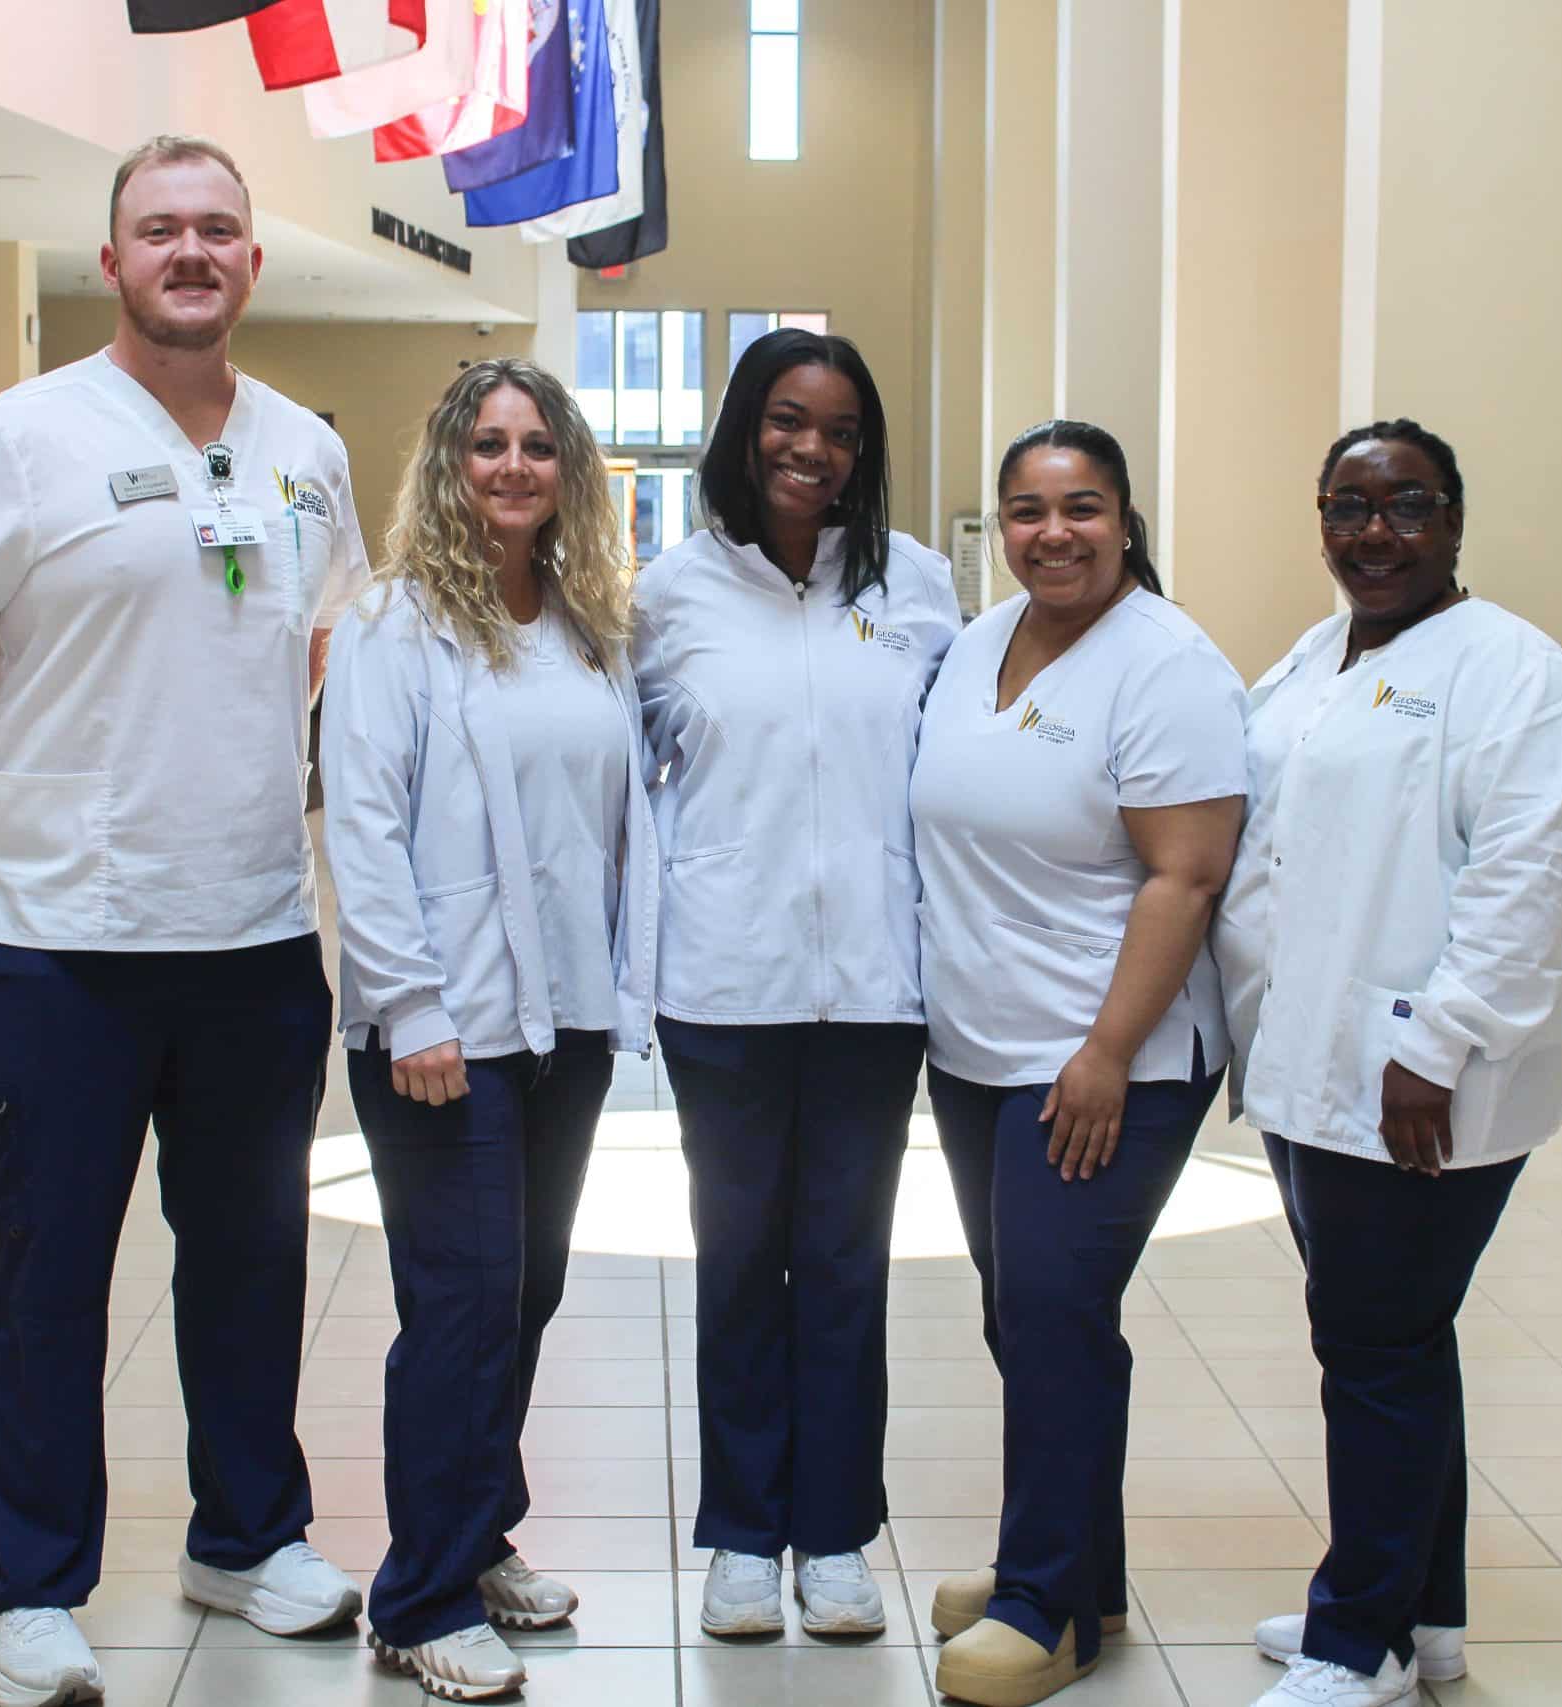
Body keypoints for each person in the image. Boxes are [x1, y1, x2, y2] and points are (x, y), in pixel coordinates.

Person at [0, 135, 370, 1707]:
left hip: (256, 939)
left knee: (251, 1263)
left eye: (218, 227)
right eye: (161, 229)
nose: (190, 251)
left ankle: (247, 1535)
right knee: (47, 1274)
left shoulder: (303, 449)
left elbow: (319, 642)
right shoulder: (21, 437)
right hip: (68, 950)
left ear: (253, 261)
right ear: (112, 260)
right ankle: (29, 1581)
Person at [1211, 419, 1562, 1707]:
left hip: (1417, 1081)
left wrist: (1434, 1044)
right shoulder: (1315, 656)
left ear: (1454, 520)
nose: (1373, 532)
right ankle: (1425, 1619)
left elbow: (1535, 874)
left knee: (1373, 1345)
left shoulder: (1513, 670)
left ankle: (1358, 1640)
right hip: (1308, 1063)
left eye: (1406, 504)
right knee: (1396, 1339)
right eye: (1347, 505)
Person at [322, 358, 656, 1701]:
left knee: (524, 1291)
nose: (513, 466)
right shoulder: (393, 622)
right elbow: (361, 822)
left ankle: (478, 1532)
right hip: (440, 1027)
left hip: (561, 1022)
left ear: (568, 471)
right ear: (449, 465)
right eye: (487, 444)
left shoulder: (585, 624)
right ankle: (419, 1593)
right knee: (458, 1305)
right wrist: (410, 1002)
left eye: (537, 446)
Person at [630, 328, 960, 1637]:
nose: (810, 448)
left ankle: (831, 1533)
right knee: (736, 1263)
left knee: (843, 1264)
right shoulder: (671, 594)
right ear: (742, 428)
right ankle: (737, 1534)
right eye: (785, 418)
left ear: (863, 448)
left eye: (839, 428)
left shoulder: (917, 586)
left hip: (875, 987)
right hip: (724, 983)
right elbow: (624, 779)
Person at [913, 422, 1247, 1707]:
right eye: (1027, 510)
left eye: (1082, 507)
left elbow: (1186, 875)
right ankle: (1074, 1570)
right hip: (979, 1048)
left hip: (1109, 1057)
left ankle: (1044, 1607)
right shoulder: (982, 640)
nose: (1053, 533)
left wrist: (1107, 1051)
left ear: (1124, 519)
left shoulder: (1165, 666)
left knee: (1054, 1314)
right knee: (1024, 1316)